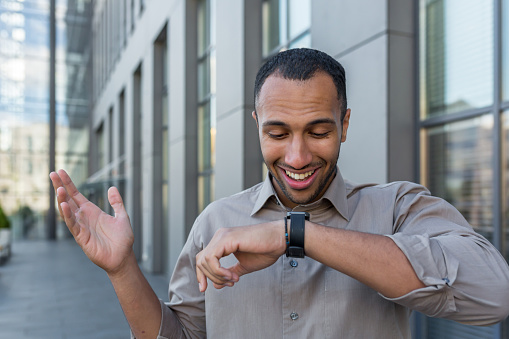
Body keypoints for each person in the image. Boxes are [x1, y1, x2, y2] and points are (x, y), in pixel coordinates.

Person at [50, 48, 509, 339]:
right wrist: (123, 270)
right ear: (256, 126)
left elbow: (493, 295)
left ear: (345, 125)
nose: (296, 155)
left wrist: (293, 234)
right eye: (277, 133)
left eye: (318, 131)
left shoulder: (399, 207)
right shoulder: (215, 222)